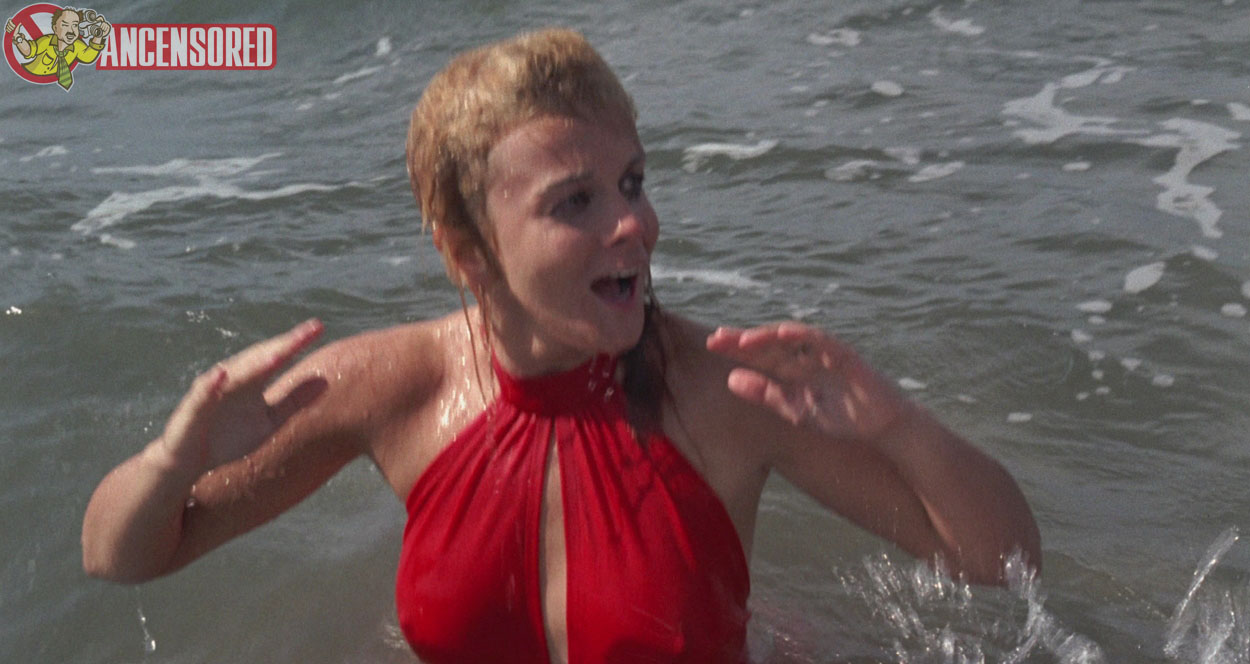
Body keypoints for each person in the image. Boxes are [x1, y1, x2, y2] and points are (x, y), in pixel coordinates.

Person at [81, 28, 1041, 664]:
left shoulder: (722, 392)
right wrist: (174, 463)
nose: (634, 224)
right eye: (575, 201)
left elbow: (1003, 566)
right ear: (469, 250)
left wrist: (900, 427)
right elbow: (119, 556)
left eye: (633, 182)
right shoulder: (394, 388)